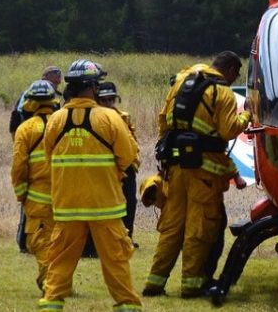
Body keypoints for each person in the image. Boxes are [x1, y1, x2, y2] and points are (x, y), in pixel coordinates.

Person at [143, 51, 252, 298]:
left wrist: (165, 154)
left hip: (175, 166)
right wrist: (247, 116)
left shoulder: (182, 81)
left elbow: (163, 120)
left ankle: (154, 283)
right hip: (203, 172)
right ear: (232, 71)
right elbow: (228, 131)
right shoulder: (221, 92)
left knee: (172, 227)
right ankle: (191, 285)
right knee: (199, 228)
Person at [38, 59, 142, 311]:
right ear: (93, 87)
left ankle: (51, 304)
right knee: (116, 260)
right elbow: (128, 157)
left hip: (67, 206)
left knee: (60, 261)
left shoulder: (55, 120)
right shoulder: (108, 118)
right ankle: (127, 305)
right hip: (104, 206)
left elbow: (49, 157)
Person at [11, 80, 58, 292]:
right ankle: (58, 281)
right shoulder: (63, 123)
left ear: (30, 103)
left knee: (39, 241)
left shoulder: (25, 129)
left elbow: (19, 167)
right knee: (61, 241)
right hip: (66, 196)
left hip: (39, 199)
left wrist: (21, 194)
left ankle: (51, 283)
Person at [97, 81, 141, 246]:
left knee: (129, 202)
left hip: (127, 167)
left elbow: (132, 141)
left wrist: (134, 162)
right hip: (105, 169)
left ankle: (127, 238)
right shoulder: (96, 119)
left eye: (111, 99)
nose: (108, 103)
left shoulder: (124, 117)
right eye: (104, 100)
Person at [10, 65, 63, 138]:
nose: (55, 86)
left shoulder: (54, 96)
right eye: (54, 83)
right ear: (45, 78)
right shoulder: (29, 94)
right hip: (29, 133)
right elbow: (17, 116)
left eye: (57, 84)